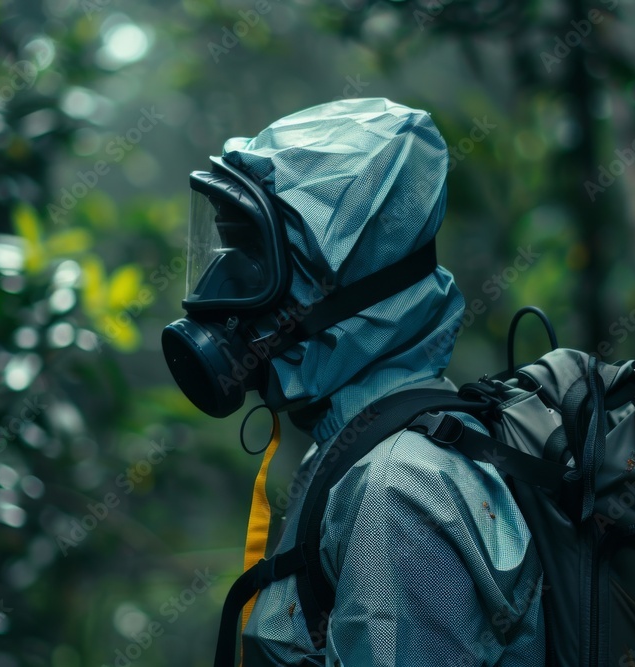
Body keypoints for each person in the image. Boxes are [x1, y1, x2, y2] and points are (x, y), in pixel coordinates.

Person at [162, 98, 545, 666]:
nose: (222, 283)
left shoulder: (398, 488)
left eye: (252, 259)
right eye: (224, 251)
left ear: (339, 286)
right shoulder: (358, 452)